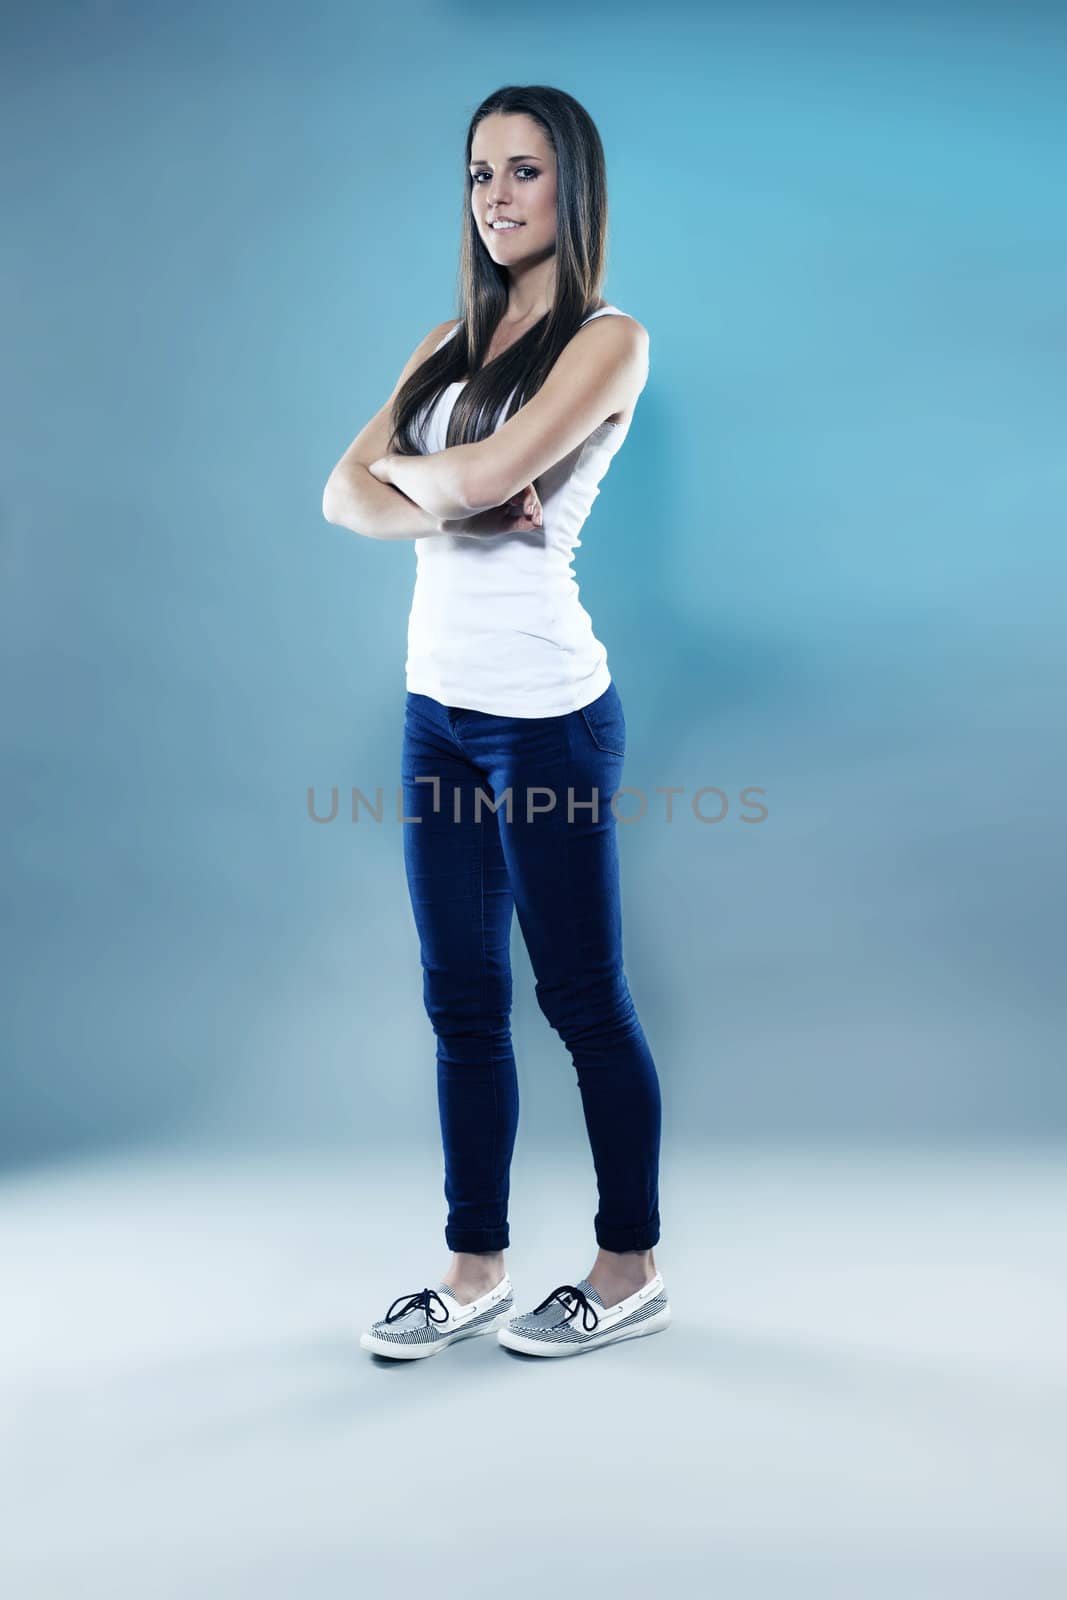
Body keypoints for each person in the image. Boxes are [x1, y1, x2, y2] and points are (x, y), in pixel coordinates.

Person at [323, 85, 670, 1360]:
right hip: (436, 716)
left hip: (543, 716)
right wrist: (455, 494)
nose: (496, 196)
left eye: (523, 172)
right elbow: (335, 495)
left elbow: (417, 485)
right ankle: (474, 1272)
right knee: (459, 999)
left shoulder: (607, 340)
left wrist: (426, 483)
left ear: (570, 189)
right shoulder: (446, 338)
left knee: (579, 996)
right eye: (479, 173)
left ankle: (626, 1267)